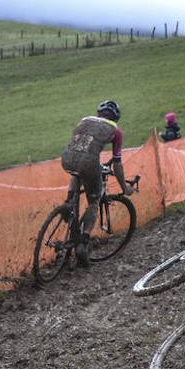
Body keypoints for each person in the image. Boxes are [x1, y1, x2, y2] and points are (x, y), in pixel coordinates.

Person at [61, 99, 134, 267]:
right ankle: (83, 243)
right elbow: (117, 164)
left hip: (67, 158)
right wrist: (125, 187)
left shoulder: (85, 120)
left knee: (77, 171)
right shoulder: (115, 131)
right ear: (116, 118)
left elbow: (83, 146)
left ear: (98, 113)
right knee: (93, 202)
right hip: (88, 163)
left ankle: (69, 201)